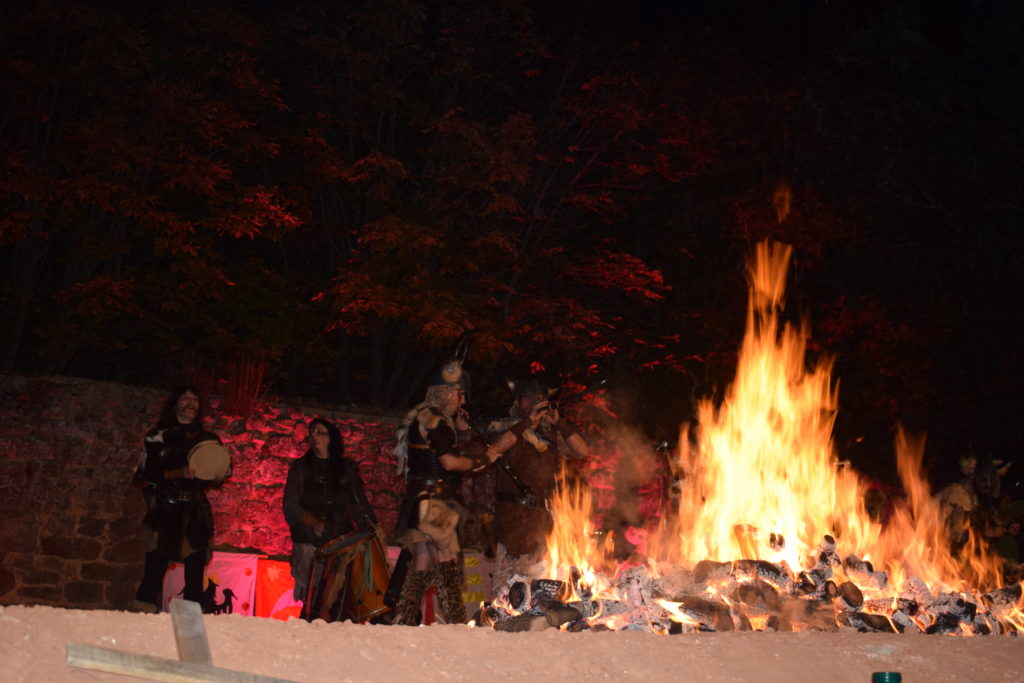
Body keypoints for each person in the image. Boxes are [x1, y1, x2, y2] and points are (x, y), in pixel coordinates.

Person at [390, 347, 498, 625]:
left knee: (423, 566)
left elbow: (435, 454)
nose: (463, 400)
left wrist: (460, 433)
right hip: (434, 504)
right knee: (448, 568)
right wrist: (483, 459)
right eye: (460, 394)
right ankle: (457, 623)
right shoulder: (435, 420)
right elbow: (448, 462)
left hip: (423, 501)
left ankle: (402, 620)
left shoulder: (428, 417)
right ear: (447, 392)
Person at [485, 378, 588, 593]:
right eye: (529, 398)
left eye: (539, 400)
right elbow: (496, 448)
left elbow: (582, 451)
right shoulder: (505, 428)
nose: (534, 403)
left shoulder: (549, 435)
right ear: (517, 402)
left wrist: (559, 422)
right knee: (508, 585)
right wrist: (526, 423)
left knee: (539, 582)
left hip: (542, 518)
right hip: (512, 517)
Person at [131, 386, 226, 613]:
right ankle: (142, 618)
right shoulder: (157, 436)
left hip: (196, 510)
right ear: (175, 404)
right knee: (155, 568)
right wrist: (177, 473)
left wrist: (218, 476)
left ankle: (192, 626)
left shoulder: (208, 439)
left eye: (195, 399)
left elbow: (212, 474)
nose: (191, 403)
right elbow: (145, 475)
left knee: (195, 573)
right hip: (167, 508)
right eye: (185, 398)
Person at [282, 417, 378, 621]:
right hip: (310, 541)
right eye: (312, 433)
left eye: (320, 432)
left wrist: (372, 528)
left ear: (331, 438)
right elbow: (290, 504)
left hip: (340, 540)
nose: (314, 436)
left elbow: (358, 503)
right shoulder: (301, 467)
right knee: (312, 598)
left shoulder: (345, 468)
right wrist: (311, 521)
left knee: (337, 599)